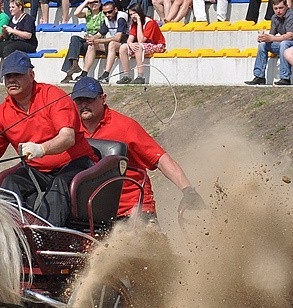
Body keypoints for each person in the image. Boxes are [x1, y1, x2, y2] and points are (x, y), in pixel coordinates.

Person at [0, 50, 97, 227]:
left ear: (31, 75)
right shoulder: (0, 114)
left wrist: (41, 149)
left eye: (17, 74)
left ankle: (45, 236)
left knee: (60, 184)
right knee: (9, 181)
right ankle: (9, 232)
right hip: (37, 171)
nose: (11, 80)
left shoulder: (53, 96)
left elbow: (67, 137)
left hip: (77, 165)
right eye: (7, 76)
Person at [71, 76, 203, 220]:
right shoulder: (70, 130)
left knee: (148, 240)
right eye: (79, 101)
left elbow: (160, 159)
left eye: (89, 99)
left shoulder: (125, 127)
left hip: (132, 209)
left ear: (103, 98)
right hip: (91, 211)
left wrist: (188, 190)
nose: (84, 105)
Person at [244, 0, 293, 85]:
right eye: (275, 8)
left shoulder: (292, 16)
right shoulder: (274, 17)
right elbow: (272, 35)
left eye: (281, 8)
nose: (278, 11)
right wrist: (264, 38)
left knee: (284, 43)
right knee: (262, 45)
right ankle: (259, 76)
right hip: (287, 43)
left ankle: (285, 77)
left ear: (287, 6)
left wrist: (271, 38)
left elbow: (290, 36)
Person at [0, 0, 37, 82]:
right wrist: (4, 32)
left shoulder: (28, 19)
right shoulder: (12, 19)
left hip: (28, 43)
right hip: (14, 41)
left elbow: (28, 35)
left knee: (8, 49)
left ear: (20, 7)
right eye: (10, 7)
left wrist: (13, 31)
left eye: (13, 7)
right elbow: (7, 37)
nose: (10, 9)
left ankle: (8, 74)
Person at [117, 3, 166, 84]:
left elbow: (141, 40)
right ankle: (126, 75)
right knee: (123, 47)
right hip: (144, 44)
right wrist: (130, 44)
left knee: (139, 46)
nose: (132, 16)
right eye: (131, 14)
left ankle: (140, 76)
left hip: (157, 45)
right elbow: (130, 39)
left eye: (134, 14)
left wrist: (139, 22)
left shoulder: (150, 22)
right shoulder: (134, 23)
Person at [60, 0, 103, 82]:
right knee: (75, 39)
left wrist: (93, 38)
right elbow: (76, 13)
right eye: (91, 3)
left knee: (73, 48)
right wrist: (86, 1)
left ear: (100, 3)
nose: (93, 4)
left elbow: (103, 31)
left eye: (96, 2)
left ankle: (70, 73)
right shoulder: (88, 13)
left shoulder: (103, 14)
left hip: (98, 41)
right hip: (88, 41)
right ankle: (75, 65)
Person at [94, 0, 129, 83]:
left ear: (115, 10)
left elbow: (118, 38)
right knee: (92, 45)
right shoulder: (107, 19)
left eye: (109, 12)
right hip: (117, 44)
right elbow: (100, 33)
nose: (107, 15)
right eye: (105, 13)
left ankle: (106, 74)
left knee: (112, 44)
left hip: (127, 42)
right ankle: (85, 73)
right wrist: (92, 39)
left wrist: (99, 40)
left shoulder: (121, 18)